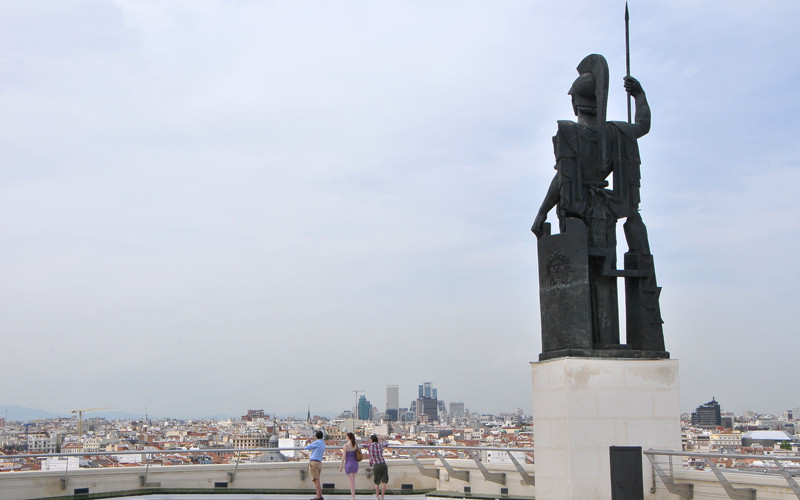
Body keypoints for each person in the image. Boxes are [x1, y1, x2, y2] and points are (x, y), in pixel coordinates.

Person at [364, 434, 389, 500]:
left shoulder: (369, 446)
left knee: (377, 482)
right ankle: (382, 497)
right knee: (384, 481)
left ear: (371, 440)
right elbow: (387, 444)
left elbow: (363, 445)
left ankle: (377, 497)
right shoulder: (380, 445)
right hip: (383, 463)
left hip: (376, 465)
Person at [305, 430, 326, 500]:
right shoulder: (323, 443)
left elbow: (306, 448)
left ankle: (318, 496)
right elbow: (315, 448)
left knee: (315, 480)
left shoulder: (316, 442)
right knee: (317, 479)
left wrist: (306, 443)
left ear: (316, 436)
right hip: (319, 462)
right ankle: (320, 495)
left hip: (314, 462)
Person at [338, 432, 359, 500]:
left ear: (348, 437)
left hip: (349, 464)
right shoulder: (355, 445)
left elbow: (344, 457)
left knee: (351, 481)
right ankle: (354, 496)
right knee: (353, 481)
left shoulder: (345, 445)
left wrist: (341, 466)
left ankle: (352, 496)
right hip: (355, 463)